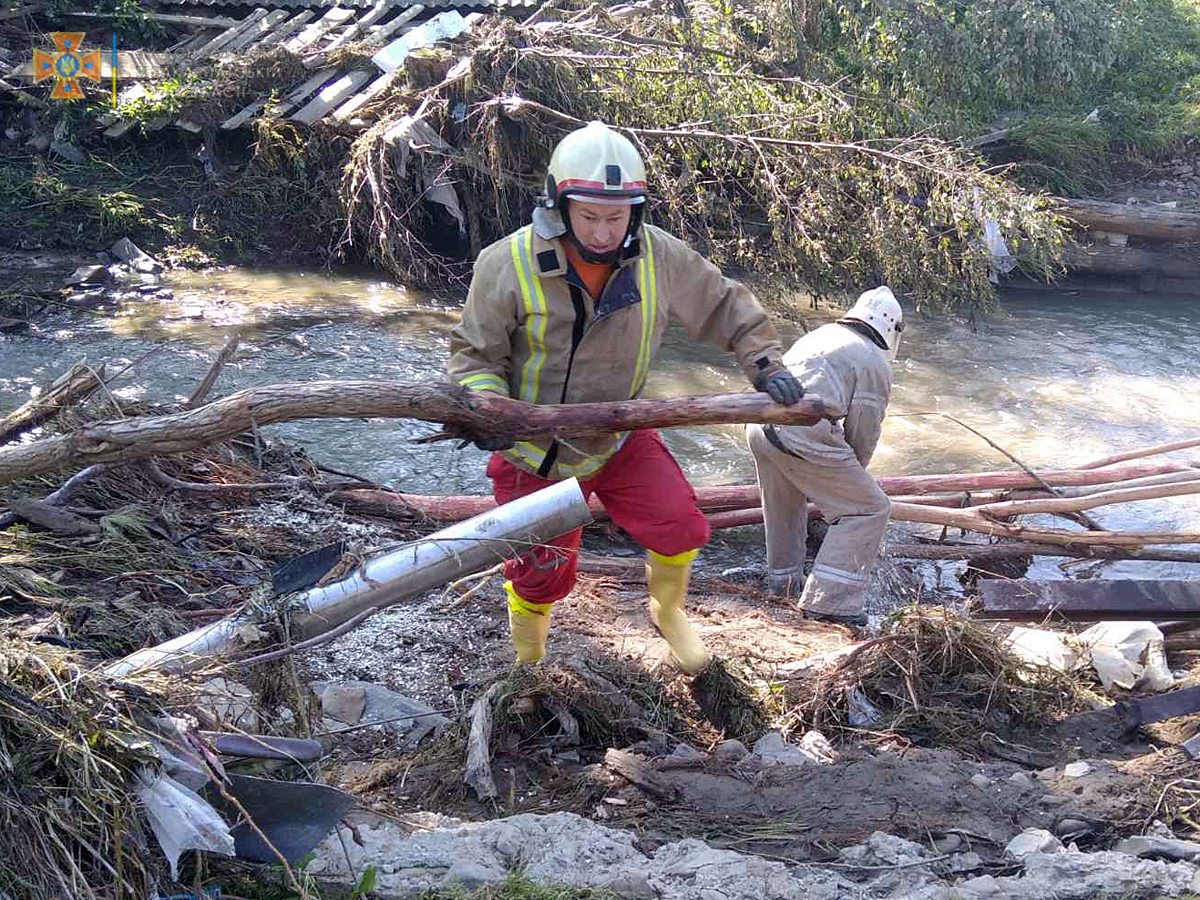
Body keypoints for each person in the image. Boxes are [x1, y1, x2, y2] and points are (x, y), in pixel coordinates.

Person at [446, 120, 804, 673]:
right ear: (558, 204)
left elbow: (725, 304)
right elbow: (475, 358)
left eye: (617, 218)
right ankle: (530, 661)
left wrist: (763, 362)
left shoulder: (660, 256)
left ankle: (668, 611)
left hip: (618, 438)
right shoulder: (507, 262)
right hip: (532, 453)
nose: (602, 232)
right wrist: (487, 407)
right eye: (588, 216)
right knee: (541, 573)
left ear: (635, 211)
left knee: (682, 527)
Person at [745, 286, 902, 626]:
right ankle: (830, 603)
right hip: (803, 432)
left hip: (760, 425)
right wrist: (849, 487)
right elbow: (863, 432)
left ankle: (783, 585)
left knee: (784, 508)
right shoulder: (874, 361)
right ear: (891, 329)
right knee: (871, 509)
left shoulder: (824, 334)